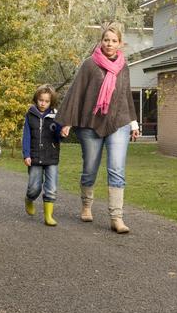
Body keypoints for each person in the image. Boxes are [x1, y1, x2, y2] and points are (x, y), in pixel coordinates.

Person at [58, 22, 140, 233]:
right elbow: (76, 92)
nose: (109, 44)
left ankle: (116, 217)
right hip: (90, 123)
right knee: (90, 168)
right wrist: (67, 120)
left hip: (118, 122)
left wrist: (133, 122)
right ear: (101, 41)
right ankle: (86, 205)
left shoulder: (124, 66)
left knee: (117, 169)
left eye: (114, 41)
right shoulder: (90, 64)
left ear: (120, 43)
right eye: (106, 40)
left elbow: (125, 95)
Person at [22, 84, 62, 227]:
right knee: (34, 187)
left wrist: (61, 131)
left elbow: (59, 137)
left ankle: (48, 216)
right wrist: (26, 154)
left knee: (51, 187)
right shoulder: (30, 114)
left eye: (46, 101)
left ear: (51, 102)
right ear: (36, 99)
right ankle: (29, 199)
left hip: (51, 157)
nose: (43, 103)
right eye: (40, 100)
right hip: (34, 156)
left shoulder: (56, 116)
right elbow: (26, 136)